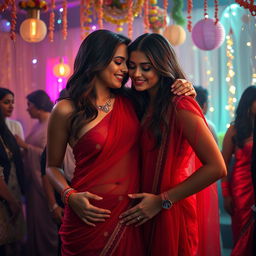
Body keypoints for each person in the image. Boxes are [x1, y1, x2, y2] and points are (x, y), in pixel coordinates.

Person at [46, 30, 194, 256]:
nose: (126, 70)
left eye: (127, 64)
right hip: (87, 217)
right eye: (119, 62)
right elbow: (51, 167)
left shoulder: (134, 100)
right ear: (96, 60)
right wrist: (69, 196)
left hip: (130, 217)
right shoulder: (66, 109)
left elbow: (164, 96)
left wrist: (183, 85)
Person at [119, 33, 226, 256]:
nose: (136, 74)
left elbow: (217, 167)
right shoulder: (141, 101)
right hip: (144, 203)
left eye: (146, 67)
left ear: (162, 66)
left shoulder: (180, 103)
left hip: (171, 206)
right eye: (132, 66)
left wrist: (162, 201)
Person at [15, 90, 59, 256]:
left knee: (45, 225)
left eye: (29, 105)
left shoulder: (50, 125)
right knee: (35, 224)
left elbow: (50, 156)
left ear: (39, 106)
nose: (27, 109)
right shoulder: (38, 124)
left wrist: (26, 147)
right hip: (33, 184)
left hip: (44, 184)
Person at [221, 86, 256, 256]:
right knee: (243, 233)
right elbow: (223, 165)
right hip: (242, 188)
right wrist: (226, 194)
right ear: (248, 104)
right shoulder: (234, 130)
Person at [0, 107, 25, 256]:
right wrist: (11, 201)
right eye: (6, 102)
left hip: (12, 186)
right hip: (4, 194)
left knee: (14, 241)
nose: (10, 106)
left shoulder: (6, 131)